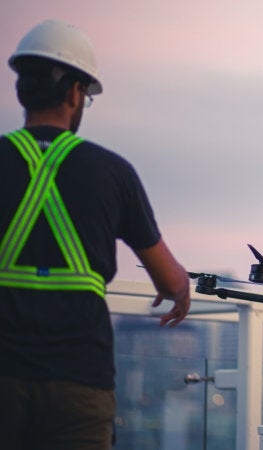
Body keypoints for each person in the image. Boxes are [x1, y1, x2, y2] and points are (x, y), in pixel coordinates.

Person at [0, 19, 191, 450]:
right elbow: (170, 279)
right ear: (73, 93)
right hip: (78, 385)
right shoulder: (112, 172)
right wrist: (180, 292)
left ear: (21, 91)